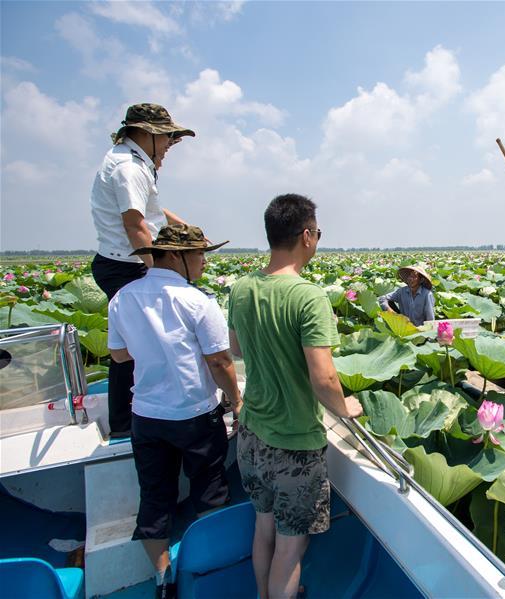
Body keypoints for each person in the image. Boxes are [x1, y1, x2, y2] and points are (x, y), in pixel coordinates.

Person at [227, 194, 363, 599]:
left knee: (263, 527)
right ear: (306, 235)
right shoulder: (309, 296)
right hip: (293, 445)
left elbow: (235, 349)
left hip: (251, 435)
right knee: (290, 548)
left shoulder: (241, 288)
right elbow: (324, 380)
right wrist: (346, 407)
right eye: (317, 233)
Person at [106, 224, 241, 599]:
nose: (203, 261)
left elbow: (118, 355)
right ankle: (210, 566)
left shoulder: (122, 297)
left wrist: (153, 350)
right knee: (209, 490)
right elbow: (219, 361)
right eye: (199, 254)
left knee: (154, 494)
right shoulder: (197, 301)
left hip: (146, 415)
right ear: (176, 256)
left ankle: (162, 577)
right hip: (196, 412)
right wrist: (237, 401)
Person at [90, 103, 196, 438]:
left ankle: (135, 414)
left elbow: (149, 209)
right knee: (130, 350)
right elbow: (135, 225)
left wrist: (185, 227)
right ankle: (123, 423)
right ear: (147, 134)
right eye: (166, 138)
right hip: (126, 265)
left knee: (136, 345)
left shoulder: (130, 162)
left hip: (122, 263)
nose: (168, 146)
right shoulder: (129, 168)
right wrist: (160, 276)